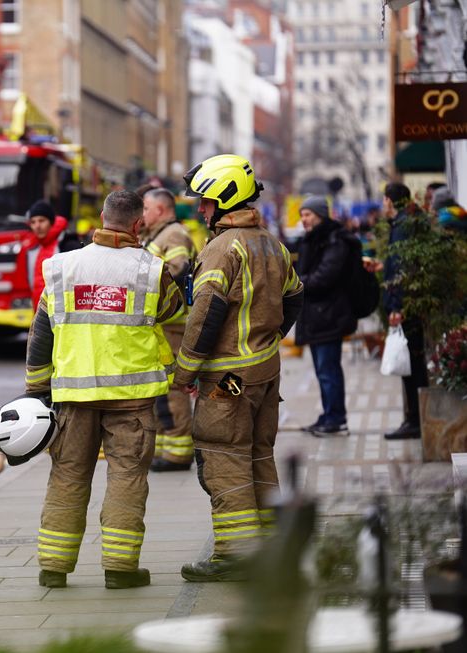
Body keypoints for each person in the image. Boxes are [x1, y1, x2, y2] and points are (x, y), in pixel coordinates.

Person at [23, 189, 183, 590]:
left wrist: (36, 390)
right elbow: (174, 311)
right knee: (127, 476)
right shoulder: (151, 269)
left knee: (68, 475)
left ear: (102, 217)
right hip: (132, 399)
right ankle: (119, 568)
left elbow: (40, 334)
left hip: (73, 396)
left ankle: (54, 567)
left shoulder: (61, 268)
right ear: (138, 225)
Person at [176, 154, 303, 582]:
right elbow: (294, 299)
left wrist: (186, 372)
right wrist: (268, 338)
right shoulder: (273, 244)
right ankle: (270, 548)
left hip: (227, 379)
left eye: (205, 202)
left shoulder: (221, 249)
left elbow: (205, 314)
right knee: (258, 456)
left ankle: (234, 556)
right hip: (265, 373)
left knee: (224, 456)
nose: (201, 210)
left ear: (224, 197)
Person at [141, 188, 196, 472]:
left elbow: (176, 269)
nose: (143, 214)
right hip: (161, 327)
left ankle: (178, 452)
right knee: (162, 390)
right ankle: (166, 448)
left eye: (146, 209)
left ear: (160, 210)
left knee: (174, 389)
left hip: (172, 327)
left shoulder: (173, 235)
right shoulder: (159, 235)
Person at [294, 195, 358, 437]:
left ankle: (337, 419)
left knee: (328, 369)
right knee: (323, 370)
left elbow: (325, 276)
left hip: (330, 314)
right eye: (302, 215)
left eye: (308, 214)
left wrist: (297, 284)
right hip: (317, 315)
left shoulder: (334, 239)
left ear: (320, 214)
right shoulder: (313, 239)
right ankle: (329, 414)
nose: (304, 219)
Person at [381, 183, 429, 440]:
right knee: (415, 363)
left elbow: (403, 267)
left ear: (389, 200)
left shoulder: (403, 226)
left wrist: (397, 305)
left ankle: (415, 421)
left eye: (384, 200)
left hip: (407, 305)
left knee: (412, 365)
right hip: (413, 302)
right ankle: (416, 419)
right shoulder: (411, 220)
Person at [15, 199, 81, 309]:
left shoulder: (68, 245)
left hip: (63, 314)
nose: (37, 226)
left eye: (41, 221)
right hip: (38, 314)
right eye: (33, 222)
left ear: (51, 222)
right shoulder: (30, 250)